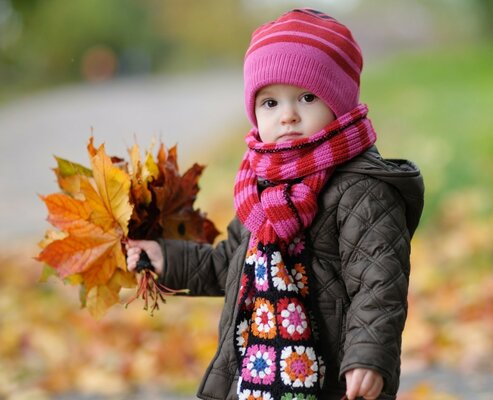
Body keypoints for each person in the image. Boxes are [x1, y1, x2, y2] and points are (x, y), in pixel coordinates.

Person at [127, 8, 424, 400]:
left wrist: (368, 357)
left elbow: (378, 283)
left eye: (306, 96)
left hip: (329, 376)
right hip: (257, 373)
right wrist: (169, 260)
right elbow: (229, 264)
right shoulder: (261, 188)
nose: (287, 116)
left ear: (339, 102)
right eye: (270, 103)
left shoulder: (362, 189)